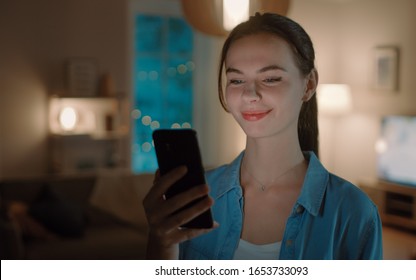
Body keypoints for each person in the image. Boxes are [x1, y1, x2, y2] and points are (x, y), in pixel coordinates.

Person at [143, 13, 383, 260]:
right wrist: (160, 245)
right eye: (236, 80)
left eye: (270, 78)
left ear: (308, 85)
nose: (250, 95)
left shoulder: (354, 212)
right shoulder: (195, 199)